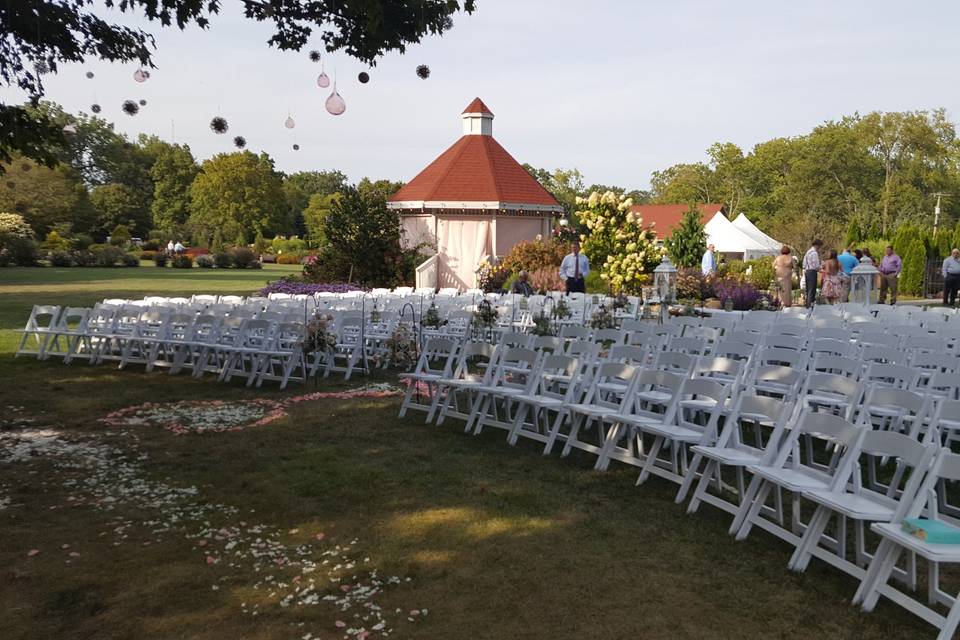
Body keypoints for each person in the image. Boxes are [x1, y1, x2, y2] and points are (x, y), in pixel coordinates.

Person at [802, 239, 823, 308]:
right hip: (812, 272)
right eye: (820, 247)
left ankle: (808, 304)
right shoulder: (814, 253)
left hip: (807, 271)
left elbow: (804, 264)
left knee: (808, 289)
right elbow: (816, 265)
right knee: (812, 289)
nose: (820, 248)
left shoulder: (808, 252)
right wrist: (821, 267)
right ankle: (810, 305)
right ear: (818, 246)